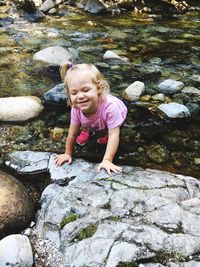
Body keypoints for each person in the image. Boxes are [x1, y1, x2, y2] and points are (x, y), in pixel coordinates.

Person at [54, 62, 127, 174]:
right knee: (84, 125)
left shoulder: (111, 108)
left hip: (118, 115)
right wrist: (67, 153)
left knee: (110, 131)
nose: (80, 96)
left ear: (98, 88)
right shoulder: (76, 108)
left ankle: (103, 134)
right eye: (74, 93)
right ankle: (87, 131)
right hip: (92, 121)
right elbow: (72, 133)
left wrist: (107, 160)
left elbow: (114, 135)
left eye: (85, 90)